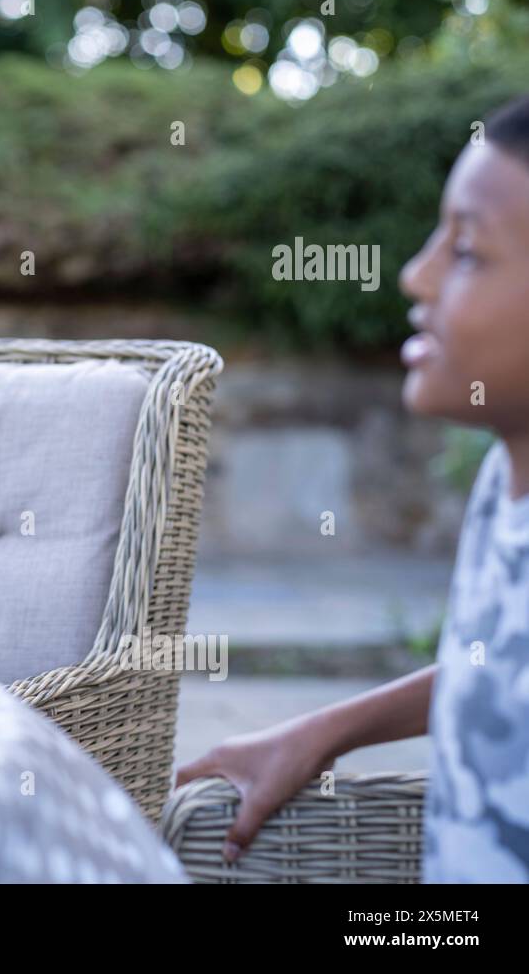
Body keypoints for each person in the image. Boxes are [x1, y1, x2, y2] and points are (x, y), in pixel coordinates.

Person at [176, 94, 529, 883]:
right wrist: (321, 731)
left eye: (467, 251)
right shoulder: (506, 480)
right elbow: (499, 666)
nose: (416, 273)